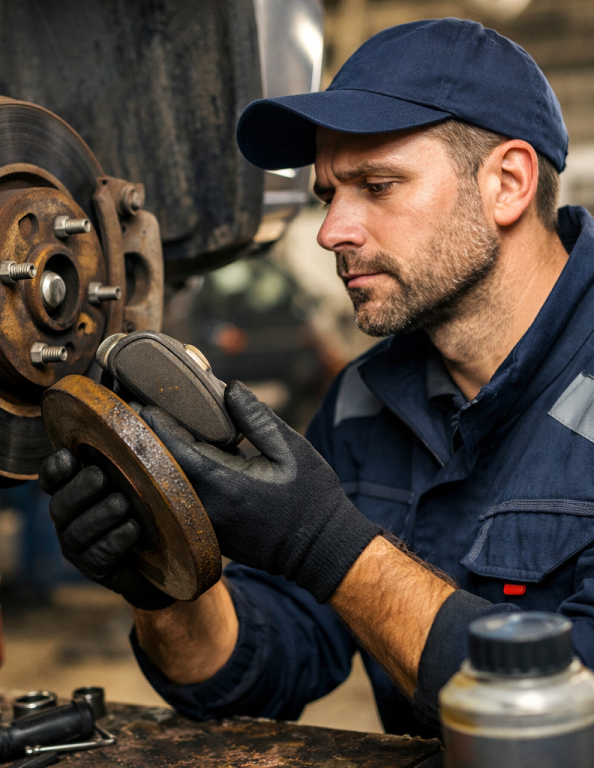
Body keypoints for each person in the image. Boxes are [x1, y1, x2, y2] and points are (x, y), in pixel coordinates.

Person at [40, 18, 594, 737]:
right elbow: (269, 666)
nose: (333, 231)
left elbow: (573, 715)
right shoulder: (365, 402)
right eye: (330, 193)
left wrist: (329, 545)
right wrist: (161, 580)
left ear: (507, 183)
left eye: (376, 184)